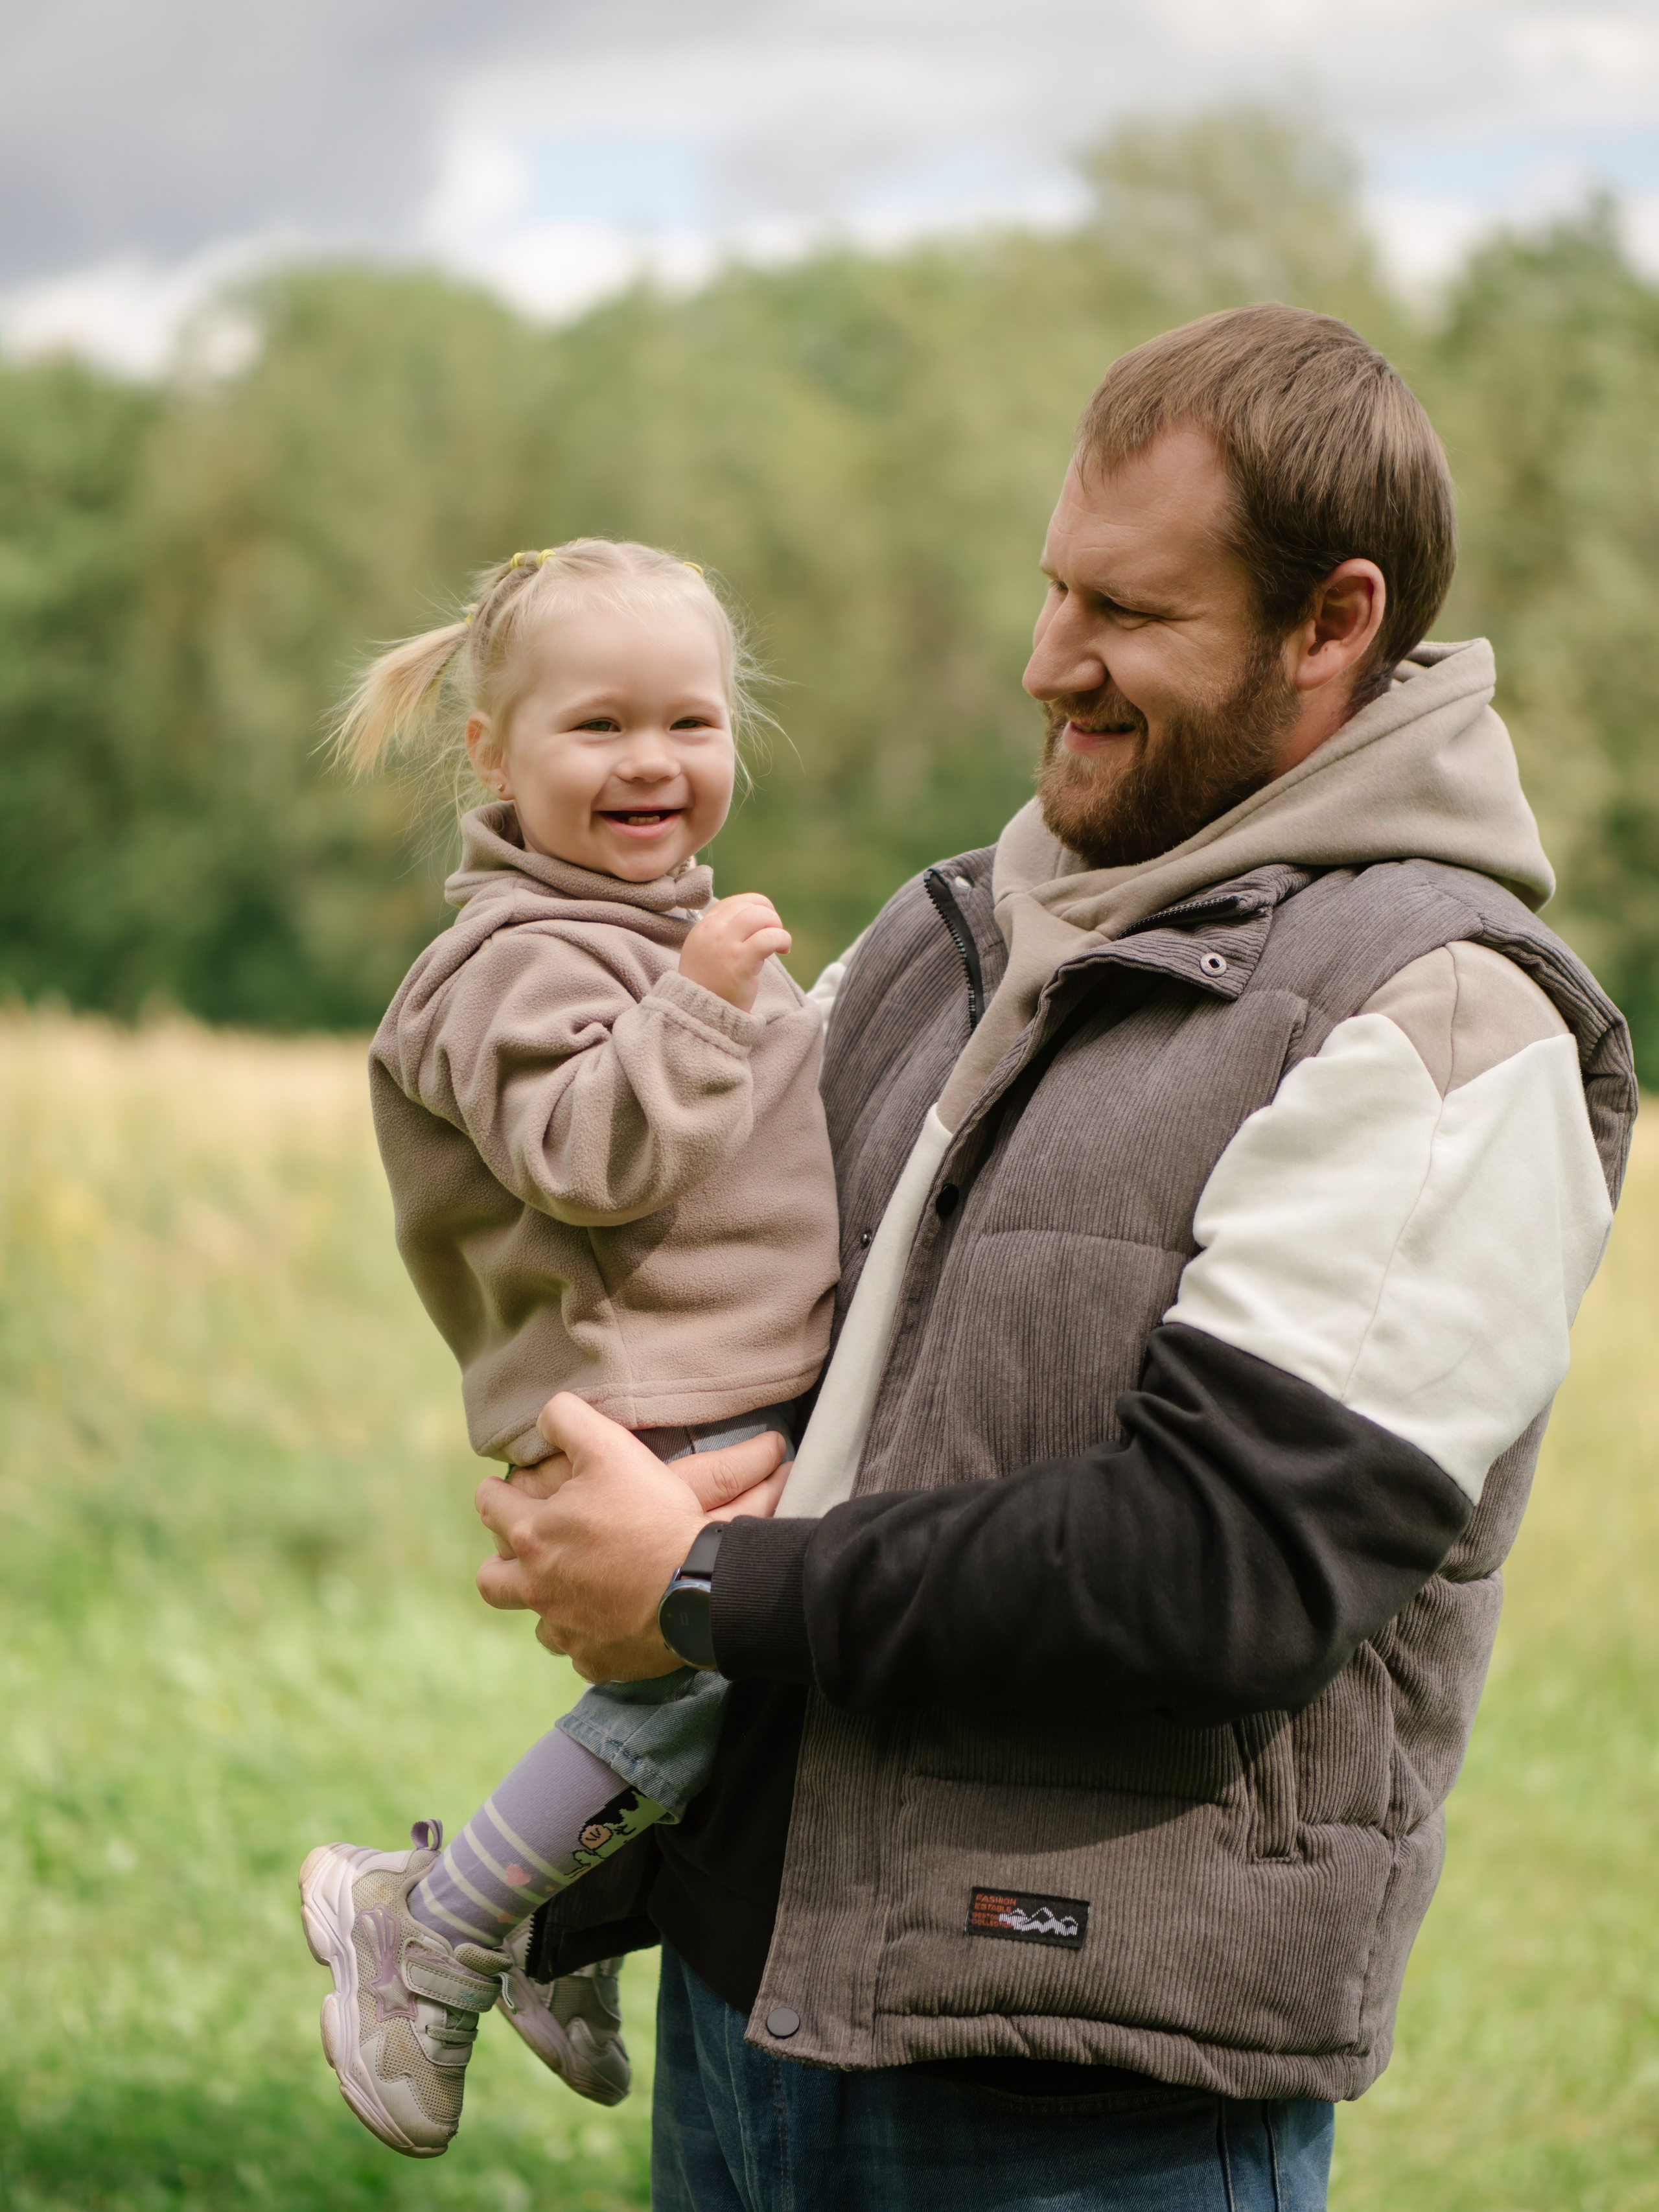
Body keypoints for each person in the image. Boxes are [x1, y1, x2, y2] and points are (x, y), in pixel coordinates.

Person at [473, 306, 1636, 2212]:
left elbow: (1231, 1564)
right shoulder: (953, 934)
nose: (1047, 661)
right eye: (1052, 589)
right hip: (752, 2007)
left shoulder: (1436, 1015)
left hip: (1082, 2100)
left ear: (1332, 622)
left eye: (1127, 611)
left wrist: (702, 1581)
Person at [296, 539, 839, 2158]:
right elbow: (587, 1156)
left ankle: (559, 1929)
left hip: (723, 1375)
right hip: (643, 1396)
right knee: (688, 1698)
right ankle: (442, 1922)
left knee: (746, 1713)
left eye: (690, 721)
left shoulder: (649, 929)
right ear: (491, 753)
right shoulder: (506, 963)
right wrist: (700, 1003)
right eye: (597, 728)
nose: (651, 763)